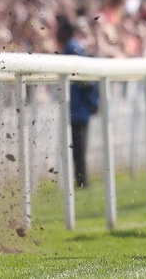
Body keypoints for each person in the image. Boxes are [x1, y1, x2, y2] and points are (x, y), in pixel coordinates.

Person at [56, 15, 99, 188]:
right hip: (77, 107)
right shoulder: (71, 47)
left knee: (79, 149)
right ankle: (81, 181)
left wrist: (93, 102)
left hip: (79, 108)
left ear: (66, 32)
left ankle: (82, 182)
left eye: (59, 30)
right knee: (78, 149)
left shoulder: (72, 48)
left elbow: (85, 80)